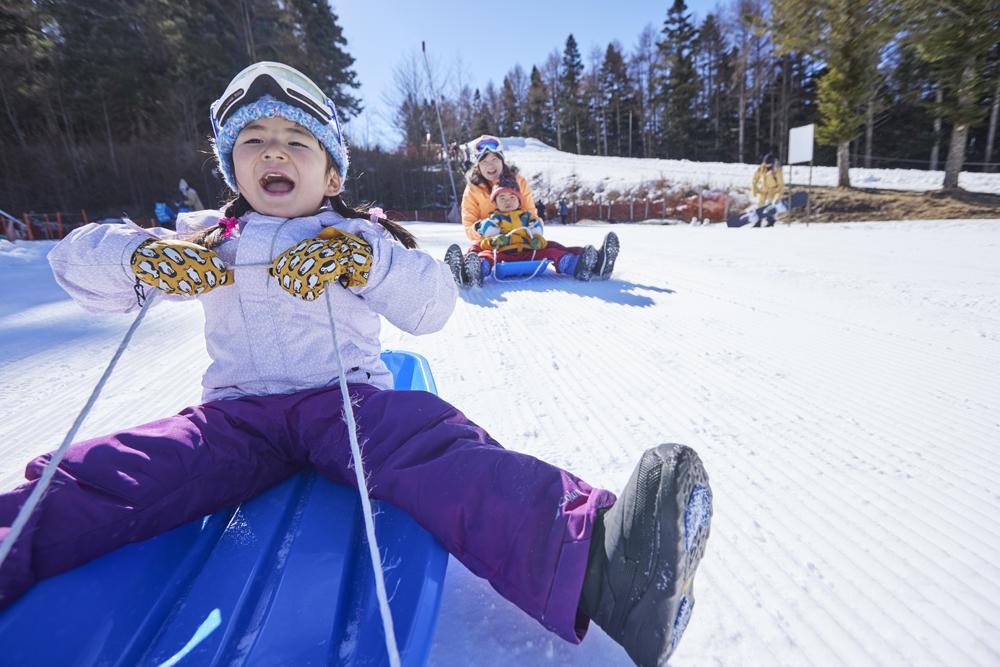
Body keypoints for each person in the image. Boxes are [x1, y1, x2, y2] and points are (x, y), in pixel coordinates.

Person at [0, 62, 712, 667]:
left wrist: (362, 258)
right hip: (236, 416)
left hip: (348, 403)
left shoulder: (357, 235)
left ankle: (601, 567)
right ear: (231, 166)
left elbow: (432, 304)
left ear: (331, 168)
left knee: (441, 451)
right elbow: (74, 262)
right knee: (118, 467)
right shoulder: (208, 237)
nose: (272, 152)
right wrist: (138, 256)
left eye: (294, 140)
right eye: (253, 140)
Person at [444, 135, 618, 287]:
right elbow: (469, 227)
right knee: (475, 250)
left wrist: (535, 229)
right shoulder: (473, 190)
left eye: (494, 159)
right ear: (478, 166)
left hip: (523, 239)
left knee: (553, 247)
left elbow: (531, 214)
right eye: (484, 161)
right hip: (493, 241)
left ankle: (591, 261)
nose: (490, 165)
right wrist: (483, 227)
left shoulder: (518, 182)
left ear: (502, 160)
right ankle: (468, 272)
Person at [471, 176, 594, 280]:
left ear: (519, 201)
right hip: (503, 256)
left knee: (552, 250)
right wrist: (495, 241)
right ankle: (476, 271)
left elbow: (537, 236)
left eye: (512, 197)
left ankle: (578, 264)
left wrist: (537, 241)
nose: (507, 201)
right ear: (495, 203)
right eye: (502, 198)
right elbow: (484, 244)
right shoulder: (493, 221)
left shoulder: (528, 218)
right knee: (486, 255)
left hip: (528, 253)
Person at [750, 153, 785, 227]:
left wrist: (778, 196)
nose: (767, 166)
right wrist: (754, 190)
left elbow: (781, 184)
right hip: (764, 189)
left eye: (768, 165)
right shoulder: (762, 168)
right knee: (760, 205)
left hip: (773, 190)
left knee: (769, 206)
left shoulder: (777, 169)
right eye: (766, 164)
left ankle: (770, 220)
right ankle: (758, 222)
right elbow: (754, 179)